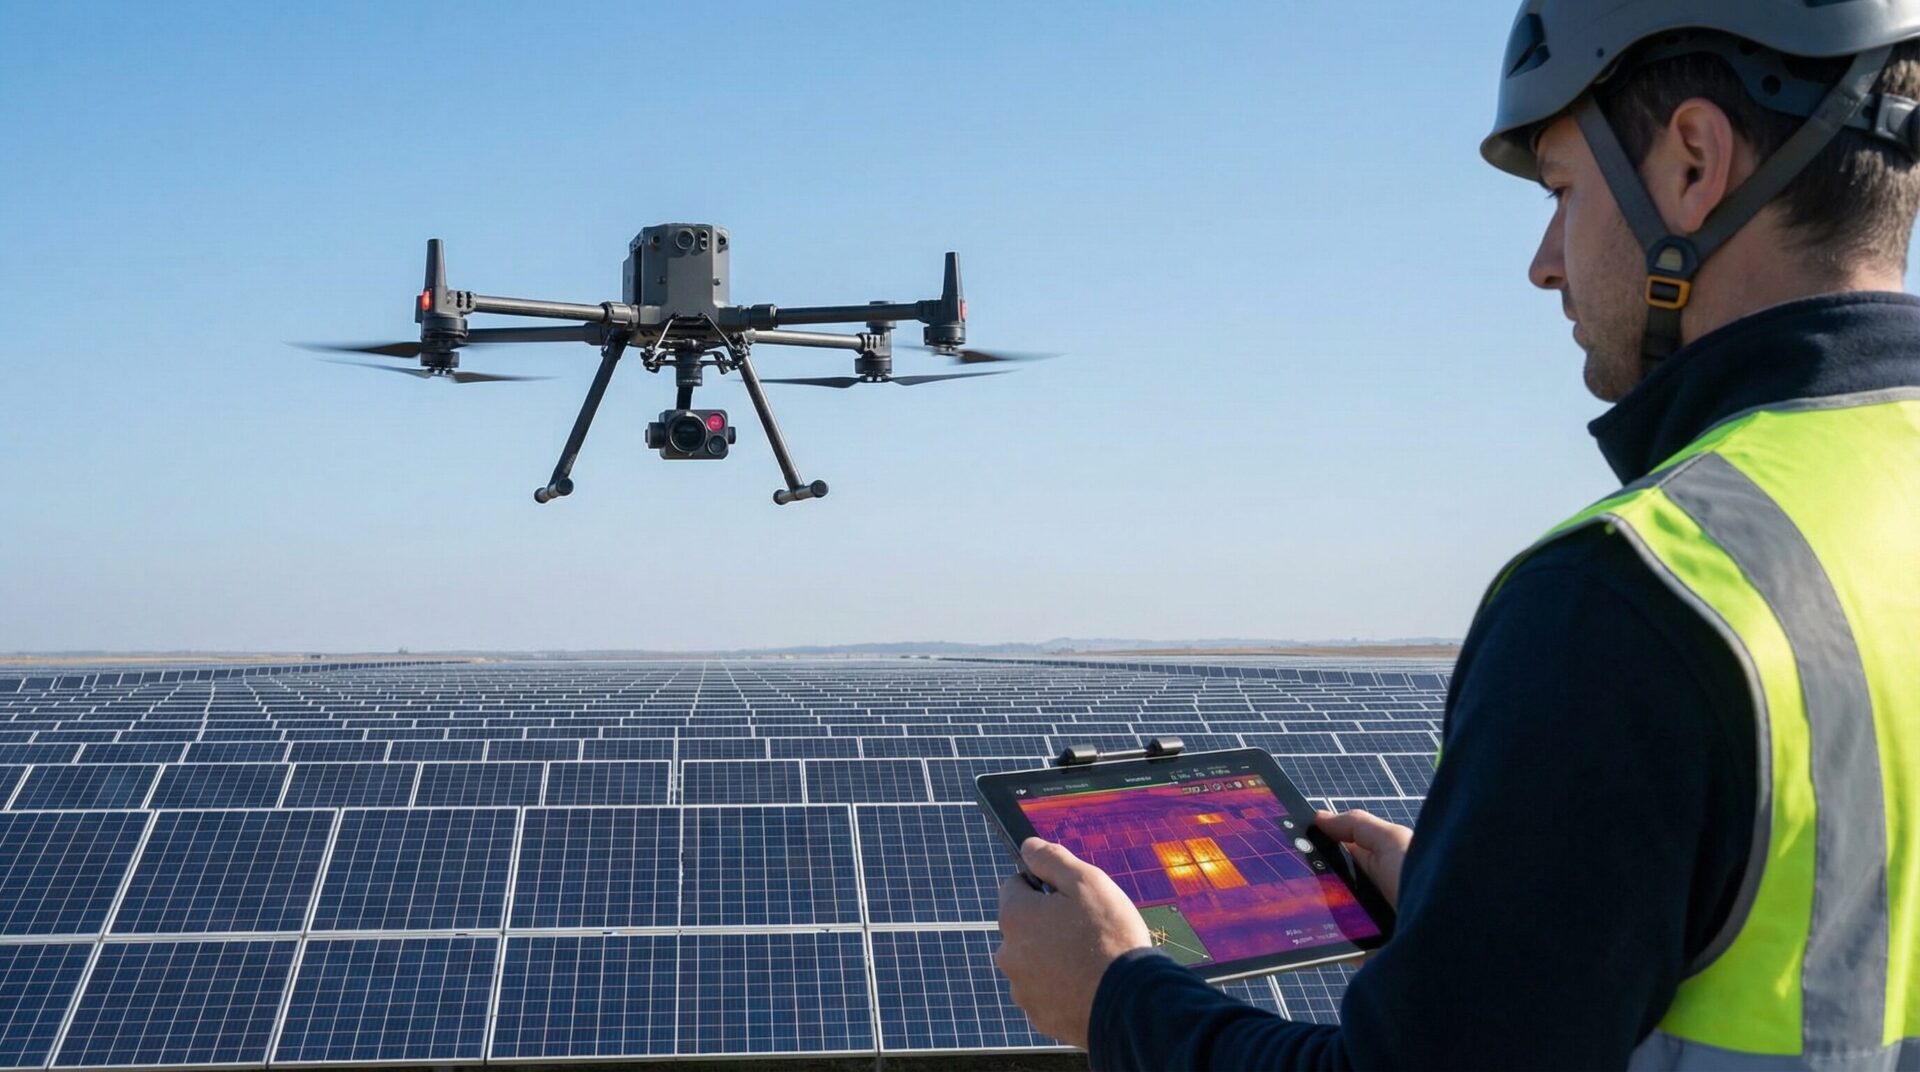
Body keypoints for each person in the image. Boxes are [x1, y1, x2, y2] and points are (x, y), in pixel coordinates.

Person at [994, 2, 1920, 1068]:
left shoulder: (1634, 596)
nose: (1544, 262)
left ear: (1694, 164)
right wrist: (1504, 901)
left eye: (1564, 192)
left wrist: (1113, 993)